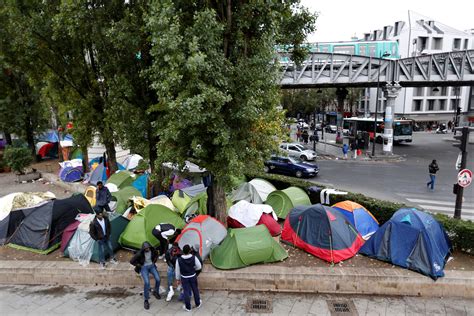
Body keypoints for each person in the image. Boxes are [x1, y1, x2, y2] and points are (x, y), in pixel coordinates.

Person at [130, 242, 161, 310]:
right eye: (146, 248)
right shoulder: (139, 254)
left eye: (148, 248)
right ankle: (146, 300)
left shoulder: (153, 251)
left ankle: (156, 291)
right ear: (143, 248)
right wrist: (139, 265)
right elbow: (131, 261)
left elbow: (156, 254)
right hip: (144, 267)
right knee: (147, 283)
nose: (147, 249)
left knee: (158, 279)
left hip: (152, 266)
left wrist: (154, 261)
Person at [176, 244, 202, 312]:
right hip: (193, 276)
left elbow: (177, 270)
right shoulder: (194, 257)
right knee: (195, 290)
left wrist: (177, 279)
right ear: (190, 250)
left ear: (183, 251)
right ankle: (198, 303)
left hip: (184, 278)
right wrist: (193, 269)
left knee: (186, 292)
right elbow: (199, 266)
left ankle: (188, 307)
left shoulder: (179, 260)